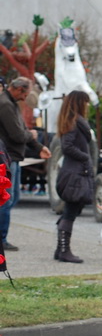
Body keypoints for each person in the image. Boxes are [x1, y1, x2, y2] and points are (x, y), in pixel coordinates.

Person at [0, 77, 52, 251]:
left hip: (12, 157)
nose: (26, 97)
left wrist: (38, 147)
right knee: (6, 200)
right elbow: (18, 135)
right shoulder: (6, 105)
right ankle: (2, 239)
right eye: (26, 93)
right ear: (19, 89)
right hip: (6, 158)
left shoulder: (11, 103)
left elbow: (22, 131)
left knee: (12, 198)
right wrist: (32, 136)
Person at [53, 91, 92, 264]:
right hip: (74, 173)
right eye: (86, 102)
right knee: (70, 212)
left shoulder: (73, 121)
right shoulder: (74, 123)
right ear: (79, 103)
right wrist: (84, 157)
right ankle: (64, 250)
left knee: (72, 210)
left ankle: (60, 248)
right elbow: (67, 146)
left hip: (74, 171)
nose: (88, 105)